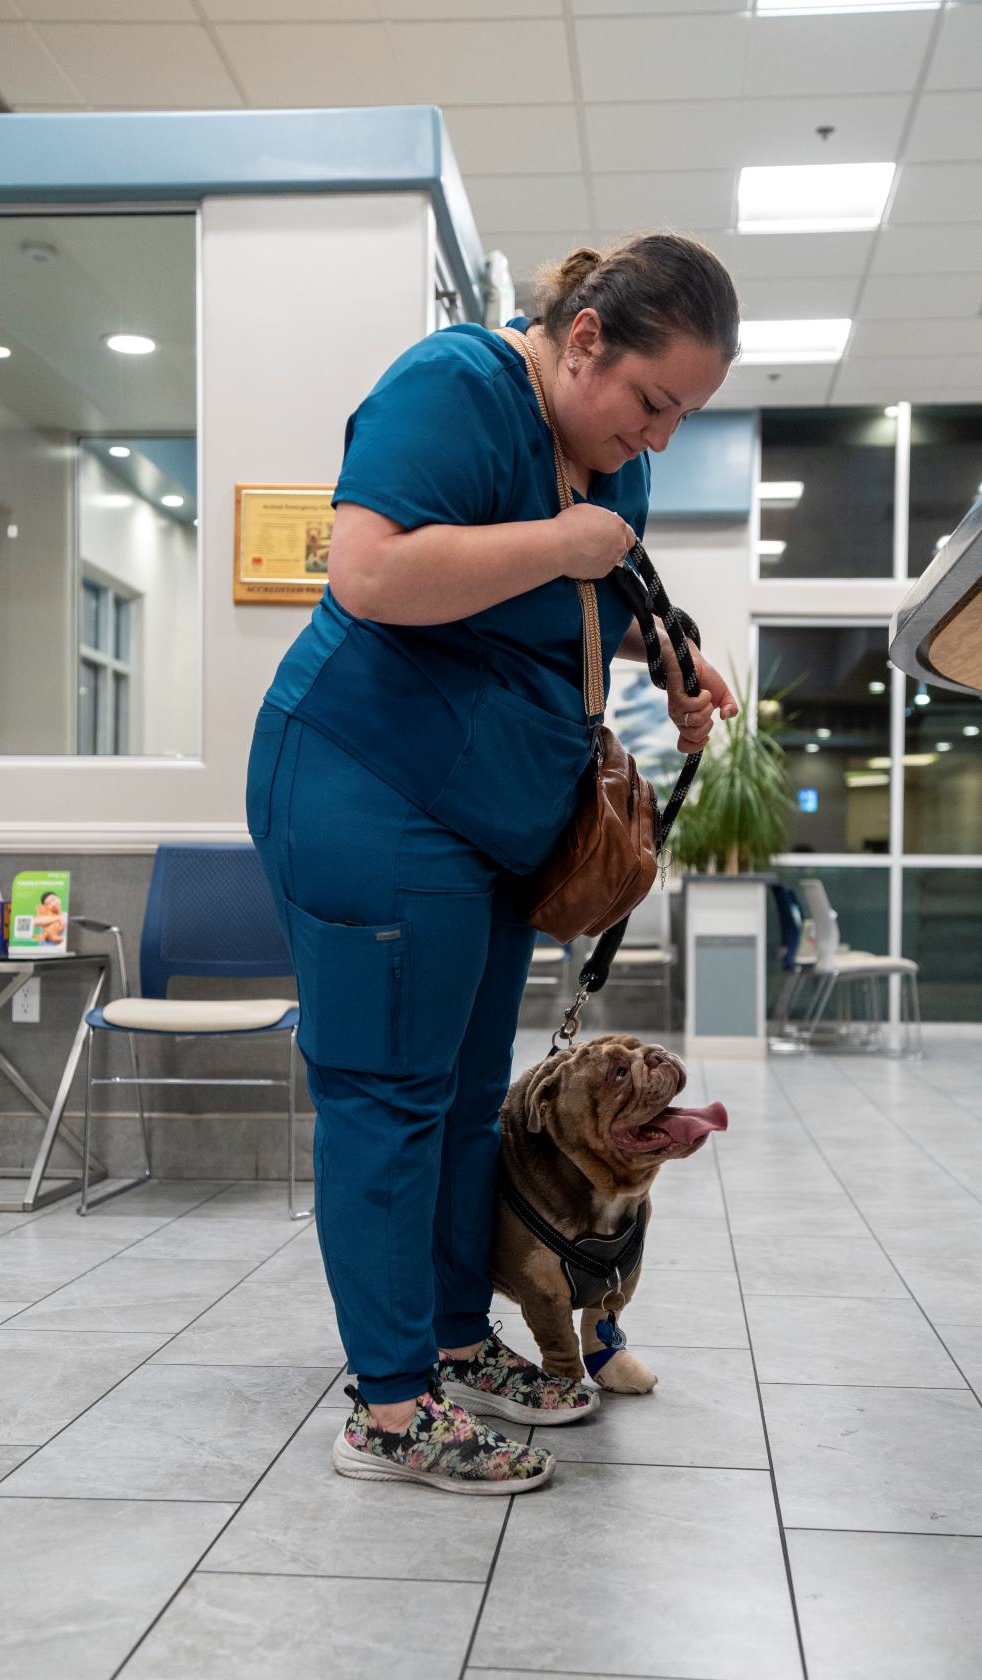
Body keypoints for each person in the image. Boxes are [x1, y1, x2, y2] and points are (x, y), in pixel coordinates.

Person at [247, 233, 739, 1497]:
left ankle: (458, 1341)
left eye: (683, 415)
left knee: (471, 1100)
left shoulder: (599, 464)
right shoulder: (456, 387)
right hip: (372, 789)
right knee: (389, 1099)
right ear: (585, 339)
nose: (660, 438)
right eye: (652, 402)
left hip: (485, 819)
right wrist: (561, 546)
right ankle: (391, 1408)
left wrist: (670, 665)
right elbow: (370, 572)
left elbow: (579, 605)